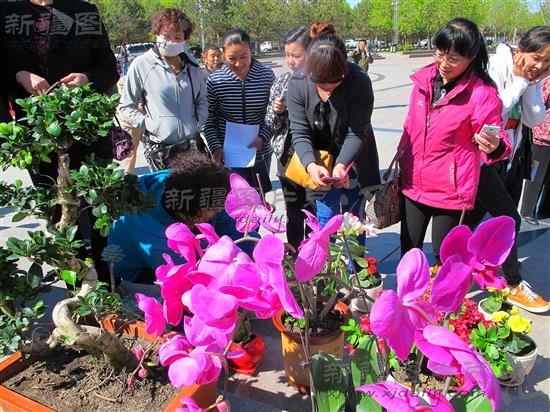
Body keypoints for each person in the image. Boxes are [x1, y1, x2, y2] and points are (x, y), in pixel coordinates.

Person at [0, 0, 119, 282]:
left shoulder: (84, 11)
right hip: (39, 134)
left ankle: (106, 282)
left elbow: (108, 68)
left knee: (96, 208)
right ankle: (76, 284)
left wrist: (87, 78)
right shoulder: (6, 13)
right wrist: (19, 75)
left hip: (86, 129)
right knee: (59, 212)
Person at [398, 18, 511, 265]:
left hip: (450, 191)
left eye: (453, 59)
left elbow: (498, 138)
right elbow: (410, 124)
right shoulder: (424, 81)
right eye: (440, 54)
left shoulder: (481, 93)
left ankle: (444, 292)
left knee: (445, 257)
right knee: (408, 251)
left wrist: (495, 146)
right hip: (413, 182)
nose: (443, 63)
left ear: (471, 57)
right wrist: (403, 155)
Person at [465, 26, 550, 313]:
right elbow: (493, 108)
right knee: (509, 218)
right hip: (482, 157)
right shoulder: (497, 65)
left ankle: (449, 269)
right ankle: (513, 283)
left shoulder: (528, 77)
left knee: (470, 220)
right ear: (522, 48)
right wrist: (521, 83)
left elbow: (534, 118)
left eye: (547, 62)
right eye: (537, 57)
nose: (539, 65)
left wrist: (532, 85)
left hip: (508, 156)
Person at [287, 23, 380, 236]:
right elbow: (299, 131)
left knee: (353, 221)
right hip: (318, 157)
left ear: (345, 68)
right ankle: (325, 256)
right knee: (325, 219)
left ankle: (354, 257)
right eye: (320, 82)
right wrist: (311, 165)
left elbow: (356, 131)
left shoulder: (358, 80)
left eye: (335, 81)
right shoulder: (298, 82)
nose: (328, 88)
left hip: (353, 156)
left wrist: (341, 165)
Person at [108, 151, 255, 283]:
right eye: (214, 209)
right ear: (186, 213)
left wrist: (257, 249)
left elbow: (231, 226)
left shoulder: (195, 184)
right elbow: (186, 278)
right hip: (139, 269)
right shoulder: (152, 231)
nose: (219, 211)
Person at [119, 8, 208, 172]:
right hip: (160, 150)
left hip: (191, 146)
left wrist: (198, 121)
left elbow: (202, 100)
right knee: (165, 189)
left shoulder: (193, 67)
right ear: (157, 34)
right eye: (166, 36)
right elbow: (126, 106)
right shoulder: (141, 65)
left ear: (185, 39)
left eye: (178, 37)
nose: (171, 42)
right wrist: (149, 124)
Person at [204, 28, 275, 192]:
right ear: (223, 54)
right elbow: (208, 118)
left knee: (259, 199)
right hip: (228, 155)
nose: (238, 63)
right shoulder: (215, 80)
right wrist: (215, 147)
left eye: (244, 57)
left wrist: (263, 137)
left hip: (259, 152)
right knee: (234, 200)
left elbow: (273, 114)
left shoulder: (266, 76)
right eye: (232, 58)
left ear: (251, 50)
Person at [266, 26, 315, 251]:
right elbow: (270, 124)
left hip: (314, 157)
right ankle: (295, 255)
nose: (290, 61)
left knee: (313, 210)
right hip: (287, 157)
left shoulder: (319, 81)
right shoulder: (282, 81)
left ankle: (314, 255)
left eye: (296, 55)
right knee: (293, 212)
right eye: (287, 55)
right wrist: (277, 112)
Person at [521, 76, 550, 225]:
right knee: (536, 174)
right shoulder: (547, 82)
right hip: (543, 135)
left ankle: (546, 207)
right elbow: (538, 105)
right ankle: (526, 210)